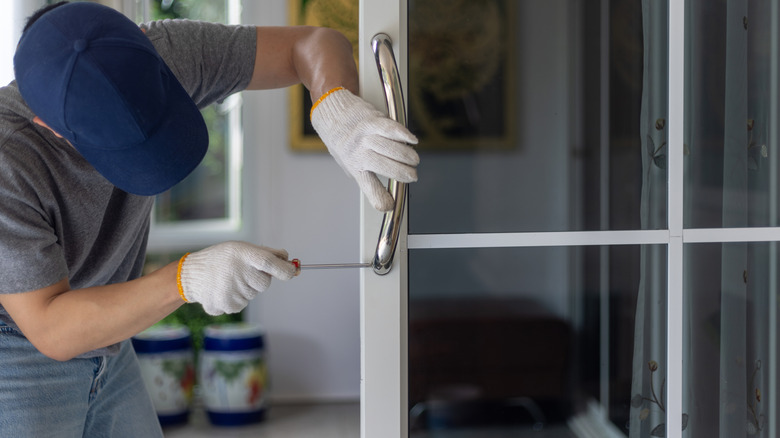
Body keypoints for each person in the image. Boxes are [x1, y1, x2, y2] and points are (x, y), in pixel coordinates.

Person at [0, 2, 419, 436]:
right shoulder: (7, 160)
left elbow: (312, 44)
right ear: (47, 125)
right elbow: (51, 328)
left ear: (145, 44)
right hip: (18, 354)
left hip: (110, 345)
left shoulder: (160, 51)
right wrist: (186, 279)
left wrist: (335, 105)